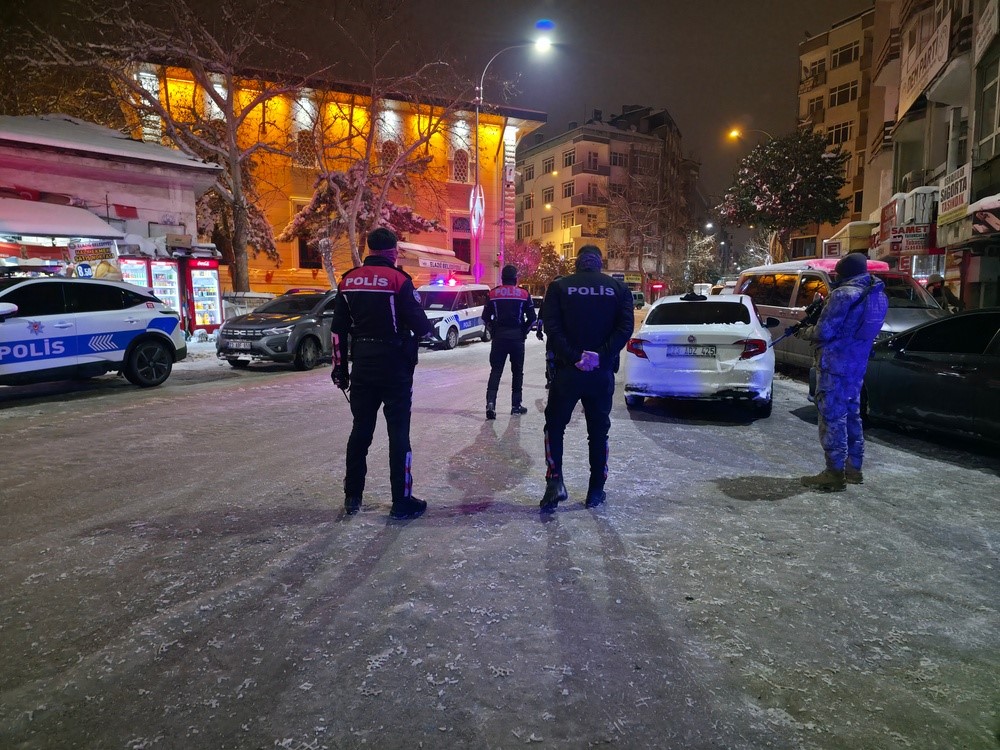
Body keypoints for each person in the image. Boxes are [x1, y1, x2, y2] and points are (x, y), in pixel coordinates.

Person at [330, 227, 433, 519]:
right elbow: (418, 321)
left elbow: (337, 331)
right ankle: (402, 501)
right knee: (399, 433)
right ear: (392, 251)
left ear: (369, 249)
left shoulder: (348, 281)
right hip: (396, 366)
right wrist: (430, 333)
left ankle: (353, 497)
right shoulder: (399, 280)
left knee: (360, 430)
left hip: (363, 364)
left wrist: (341, 370)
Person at [539, 245, 634, 511]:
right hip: (600, 374)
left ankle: (555, 481)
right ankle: (596, 490)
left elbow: (552, 329)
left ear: (577, 263)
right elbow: (625, 327)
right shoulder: (618, 289)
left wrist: (574, 357)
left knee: (554, 427)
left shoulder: (560, 288)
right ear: (599, 264)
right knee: (598, 432)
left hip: (567, 372)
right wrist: (600, 356)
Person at [796, 252, 888, 492]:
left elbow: (824, 332)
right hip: (857, 365)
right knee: (852, 414)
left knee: (831, 417)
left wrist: (803, 332)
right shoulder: (878, 295)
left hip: (834, 365)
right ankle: (853, 469)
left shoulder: (843, 295)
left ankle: (833, 473)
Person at [482, 264, 536, 419]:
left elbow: (485, 318)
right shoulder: (524, 294)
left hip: (499, 338)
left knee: (496, 371)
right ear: (515, 278)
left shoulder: (493, 294)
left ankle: (491, 403)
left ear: (502, 278)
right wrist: (523, 331)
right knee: (517, 372)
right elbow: (532, 318)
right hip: (517, 339)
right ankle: (516, 405)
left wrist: (493, 331)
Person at [536, 275, 562, 390]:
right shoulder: (567, 298)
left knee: (550, 355)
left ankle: (550, 378)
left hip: (551, 333)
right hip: (563, 334)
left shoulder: (547, 299)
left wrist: (539, 331)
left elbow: (540, 317)